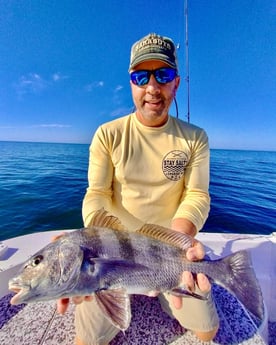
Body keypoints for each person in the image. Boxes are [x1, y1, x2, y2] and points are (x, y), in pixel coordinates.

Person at [58, 33, 219, 345]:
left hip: (171, 252)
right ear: (131, 82)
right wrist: (92, 243)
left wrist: (181, 241)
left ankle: (160, 287)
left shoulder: (195, 138)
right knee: (86, 341)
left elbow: (197, 195)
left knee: (207, 331)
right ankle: (122, 292)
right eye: (141, 76)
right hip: (112, 256)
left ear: (176, 83)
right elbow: (97, 193)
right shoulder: (108, 135)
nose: (152, 88)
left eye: (163, 74)